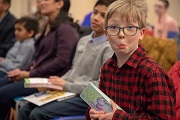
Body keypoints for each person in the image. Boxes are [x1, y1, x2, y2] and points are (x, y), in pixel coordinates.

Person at [18, 0, 114, 120]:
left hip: (89, 97)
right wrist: (56, 83)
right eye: (94, 12)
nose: (95, 18)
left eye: (103, 16)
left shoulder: (110, 47)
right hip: (71, 91)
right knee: (25, 108)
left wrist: (66, 85)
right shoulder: (83, 40)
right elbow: (74, 70)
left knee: (37, 114)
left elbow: (100, 85)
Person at [86, 0, 176, 119]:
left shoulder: (152, 72)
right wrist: (92, 113)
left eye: (129, 27)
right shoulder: (107, 68)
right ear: (106, 34)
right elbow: (101, 103)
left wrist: (117, 117)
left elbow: (163, 118)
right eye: (113, 27)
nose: (121, 34)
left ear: (141, 33)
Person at [0, 0, 79, 119]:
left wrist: (29, 73)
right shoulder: (49, 26)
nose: (41, 3)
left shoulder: (66, 29)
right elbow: (38, 59)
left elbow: (61, 61)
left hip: (48, 81)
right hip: (36, 76)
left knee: (2, 93)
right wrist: (21, 70)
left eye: (46, 0)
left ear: (59, 4)